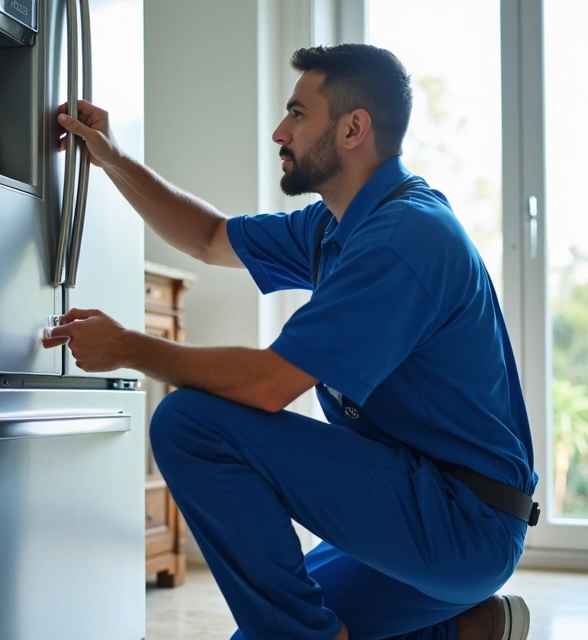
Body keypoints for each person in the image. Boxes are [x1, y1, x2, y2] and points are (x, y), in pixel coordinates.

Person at [43, 43, 538, 640]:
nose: (280, 131)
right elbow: (208, 237)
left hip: (462, 523)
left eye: (298, 113)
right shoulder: (336, 226)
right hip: (420, 502)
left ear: (354, 128)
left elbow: (271, 385)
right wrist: (114, 159)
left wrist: (132, 348)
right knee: (264, 632)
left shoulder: (403, 238)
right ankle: (467, 630)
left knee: (190, 423)